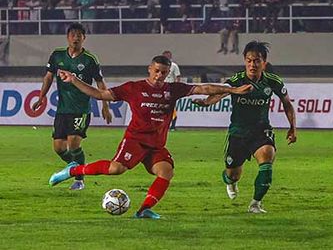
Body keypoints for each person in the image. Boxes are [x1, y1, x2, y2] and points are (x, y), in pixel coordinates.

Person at [48, 55, 253, 219]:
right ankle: (72, 170)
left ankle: (144, 210)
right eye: (156, 71)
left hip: (156, 145)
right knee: (115, 169)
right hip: (135, 141)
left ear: (168, 73)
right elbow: (100, 94)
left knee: (166, 172)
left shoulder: (173, 90)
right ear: (149, 69)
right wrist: (74, 80)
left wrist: (232, 90)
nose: (159, 76)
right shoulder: (133, 88)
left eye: (163, 73)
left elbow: (204, 88)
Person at [193, 41, 297, 213]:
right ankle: (231, 182)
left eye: (256, 61)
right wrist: (206, 102)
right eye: (249, 60)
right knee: (232, 174)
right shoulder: (236, 80)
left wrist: (293, 127)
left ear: (264, 62)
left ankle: (255, 204)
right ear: (244, 61)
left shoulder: (273, 81)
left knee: (267, 158)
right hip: (238, 132)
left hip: (261, 130)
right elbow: (220, 92)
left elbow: (287, 104)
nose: (252, 64)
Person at [32, 23, 112, 191]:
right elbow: (48, 77)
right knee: (58, 148)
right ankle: (77, 167)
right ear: (68, 37)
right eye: (73, 34)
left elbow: (100, 82)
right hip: (62, 109)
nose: (76, 38)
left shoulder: (90, 60)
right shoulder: (57, 55)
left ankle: (79, 179)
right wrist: (41, 97)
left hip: (81, 109)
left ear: (84, 38)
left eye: (79, 35)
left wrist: (105, 106)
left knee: (73, 143)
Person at [162, 50, 181, 130]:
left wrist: (176, 87)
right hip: (161, 87)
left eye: (168, 56)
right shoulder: (160, 65)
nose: (166, 57)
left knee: (171, 106)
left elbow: (178, 76)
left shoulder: (174, 66)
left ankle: (172, 126)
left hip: (170, 87)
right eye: (165, 56)